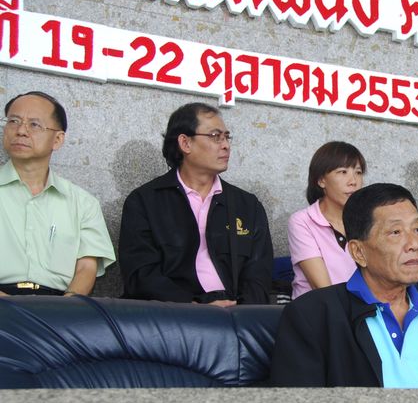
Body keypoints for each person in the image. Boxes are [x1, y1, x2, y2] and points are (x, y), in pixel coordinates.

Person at [270, 183, 418, 388]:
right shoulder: (312, 315)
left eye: (417, 229)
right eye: (396, 232)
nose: (414, 244)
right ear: (358, 252)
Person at [119, 102, 273, 306]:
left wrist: (239, 311)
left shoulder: (247, 206)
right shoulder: (144, 201)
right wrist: (193, 307)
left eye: (227, 137)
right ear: (185, 143)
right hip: (176, 314)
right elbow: (141, 275)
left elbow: (259, 275)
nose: (225, 145)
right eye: (215, 136)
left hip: (237, 314)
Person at [0, 91, 115, 296]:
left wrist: (65, 307)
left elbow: (86, 268)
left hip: (58, 305)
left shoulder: (83, 203)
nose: (21, 131)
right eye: (13, 121)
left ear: (58, 139)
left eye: (34, 124)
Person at [287, 141, 365, 299]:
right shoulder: (302, 221)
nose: (353, 181)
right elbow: (322, 288)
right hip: (320, 309)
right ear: (321, 180)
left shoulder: (367, 219)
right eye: (343, 172)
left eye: (358, 172)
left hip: (363, 308)